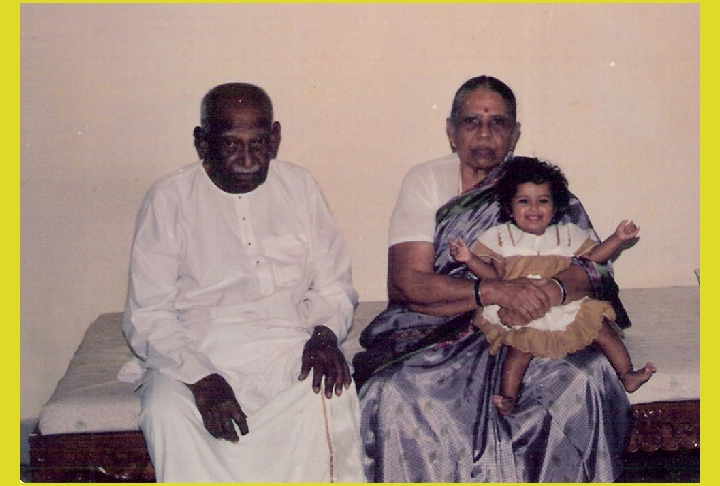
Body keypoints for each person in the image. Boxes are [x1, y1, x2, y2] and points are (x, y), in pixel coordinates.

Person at [352, 75, 634, 482]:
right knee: (394, 394)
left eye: (498, 123)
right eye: (471, 121)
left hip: (541, 327)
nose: (484, 133)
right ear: (450, 131)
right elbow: (407, 284)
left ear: (515, 133)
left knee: (585, 379)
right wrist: (498, 290)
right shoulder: (426, 180)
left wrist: (551, 291)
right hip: (444, 328)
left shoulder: (539, 189)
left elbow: (595, 269)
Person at [122, 83, 365, 482]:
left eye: (259, 142)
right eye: (232, 145)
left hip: (286, 344)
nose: (249, 159)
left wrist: (323, 336)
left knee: (331, 392)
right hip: (195, 349)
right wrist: (202, 379)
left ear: (276, 138)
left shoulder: (300, 186)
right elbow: (148, 313)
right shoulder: (170, 199)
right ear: (202, 143)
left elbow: (335, 286)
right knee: (166, 411)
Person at [449, 156, 655, 416]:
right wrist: (469, 259)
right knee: (520, 349)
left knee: (601, 326)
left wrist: (617, 238)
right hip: (521, 306)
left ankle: (626, 374)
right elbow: (492, 277)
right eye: (524, 201)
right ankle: (509, 397)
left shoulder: (567, 234)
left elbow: (594, 258)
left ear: (554, 206)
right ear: (510, 208)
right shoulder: (499, 237)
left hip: (562, 304)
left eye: (543, 201)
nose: (534, 208)